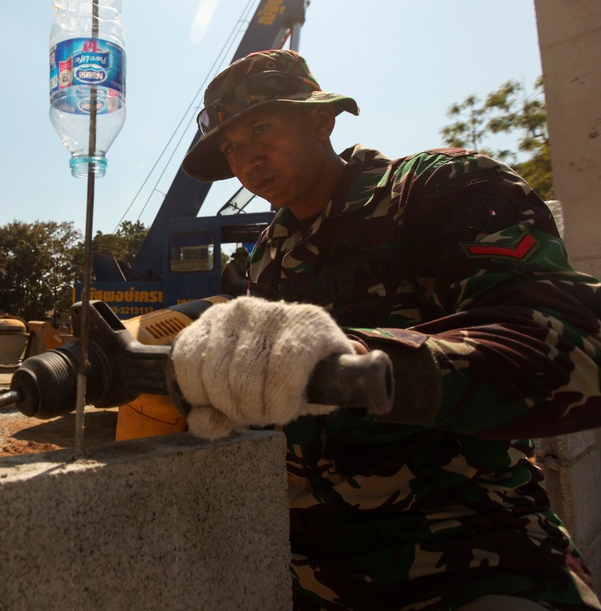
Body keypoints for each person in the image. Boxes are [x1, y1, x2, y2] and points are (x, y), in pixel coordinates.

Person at [170, 49, 601, 610]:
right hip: (310, 570)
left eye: (262, 128)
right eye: (230, 148)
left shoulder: (435, 190)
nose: (247, 159)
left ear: (320, 119)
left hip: (469, 550)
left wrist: (352, 367)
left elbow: (574, 346)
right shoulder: (266, 259)